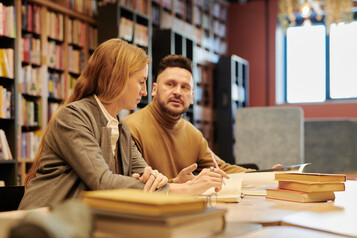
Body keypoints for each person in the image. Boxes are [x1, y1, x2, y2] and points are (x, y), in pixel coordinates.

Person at [19, 40, 227, 210]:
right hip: (41, 223)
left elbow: (150, 178)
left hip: (80, 222)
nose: (145, 92)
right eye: (140, 82)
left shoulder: (121, 129)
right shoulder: (72, 118)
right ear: (117, 79)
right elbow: (102, 182)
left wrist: (169, 182)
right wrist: (184, 190)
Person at [124, 55, 281, 184]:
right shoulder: (131, 128)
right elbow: (131, 184)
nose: (177, 92)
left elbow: (222, 169)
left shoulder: (194, 134)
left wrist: (267, 175)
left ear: (192, 97)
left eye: (185, 87)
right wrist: (176, 183)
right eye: (170, 84)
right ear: (154, 89)